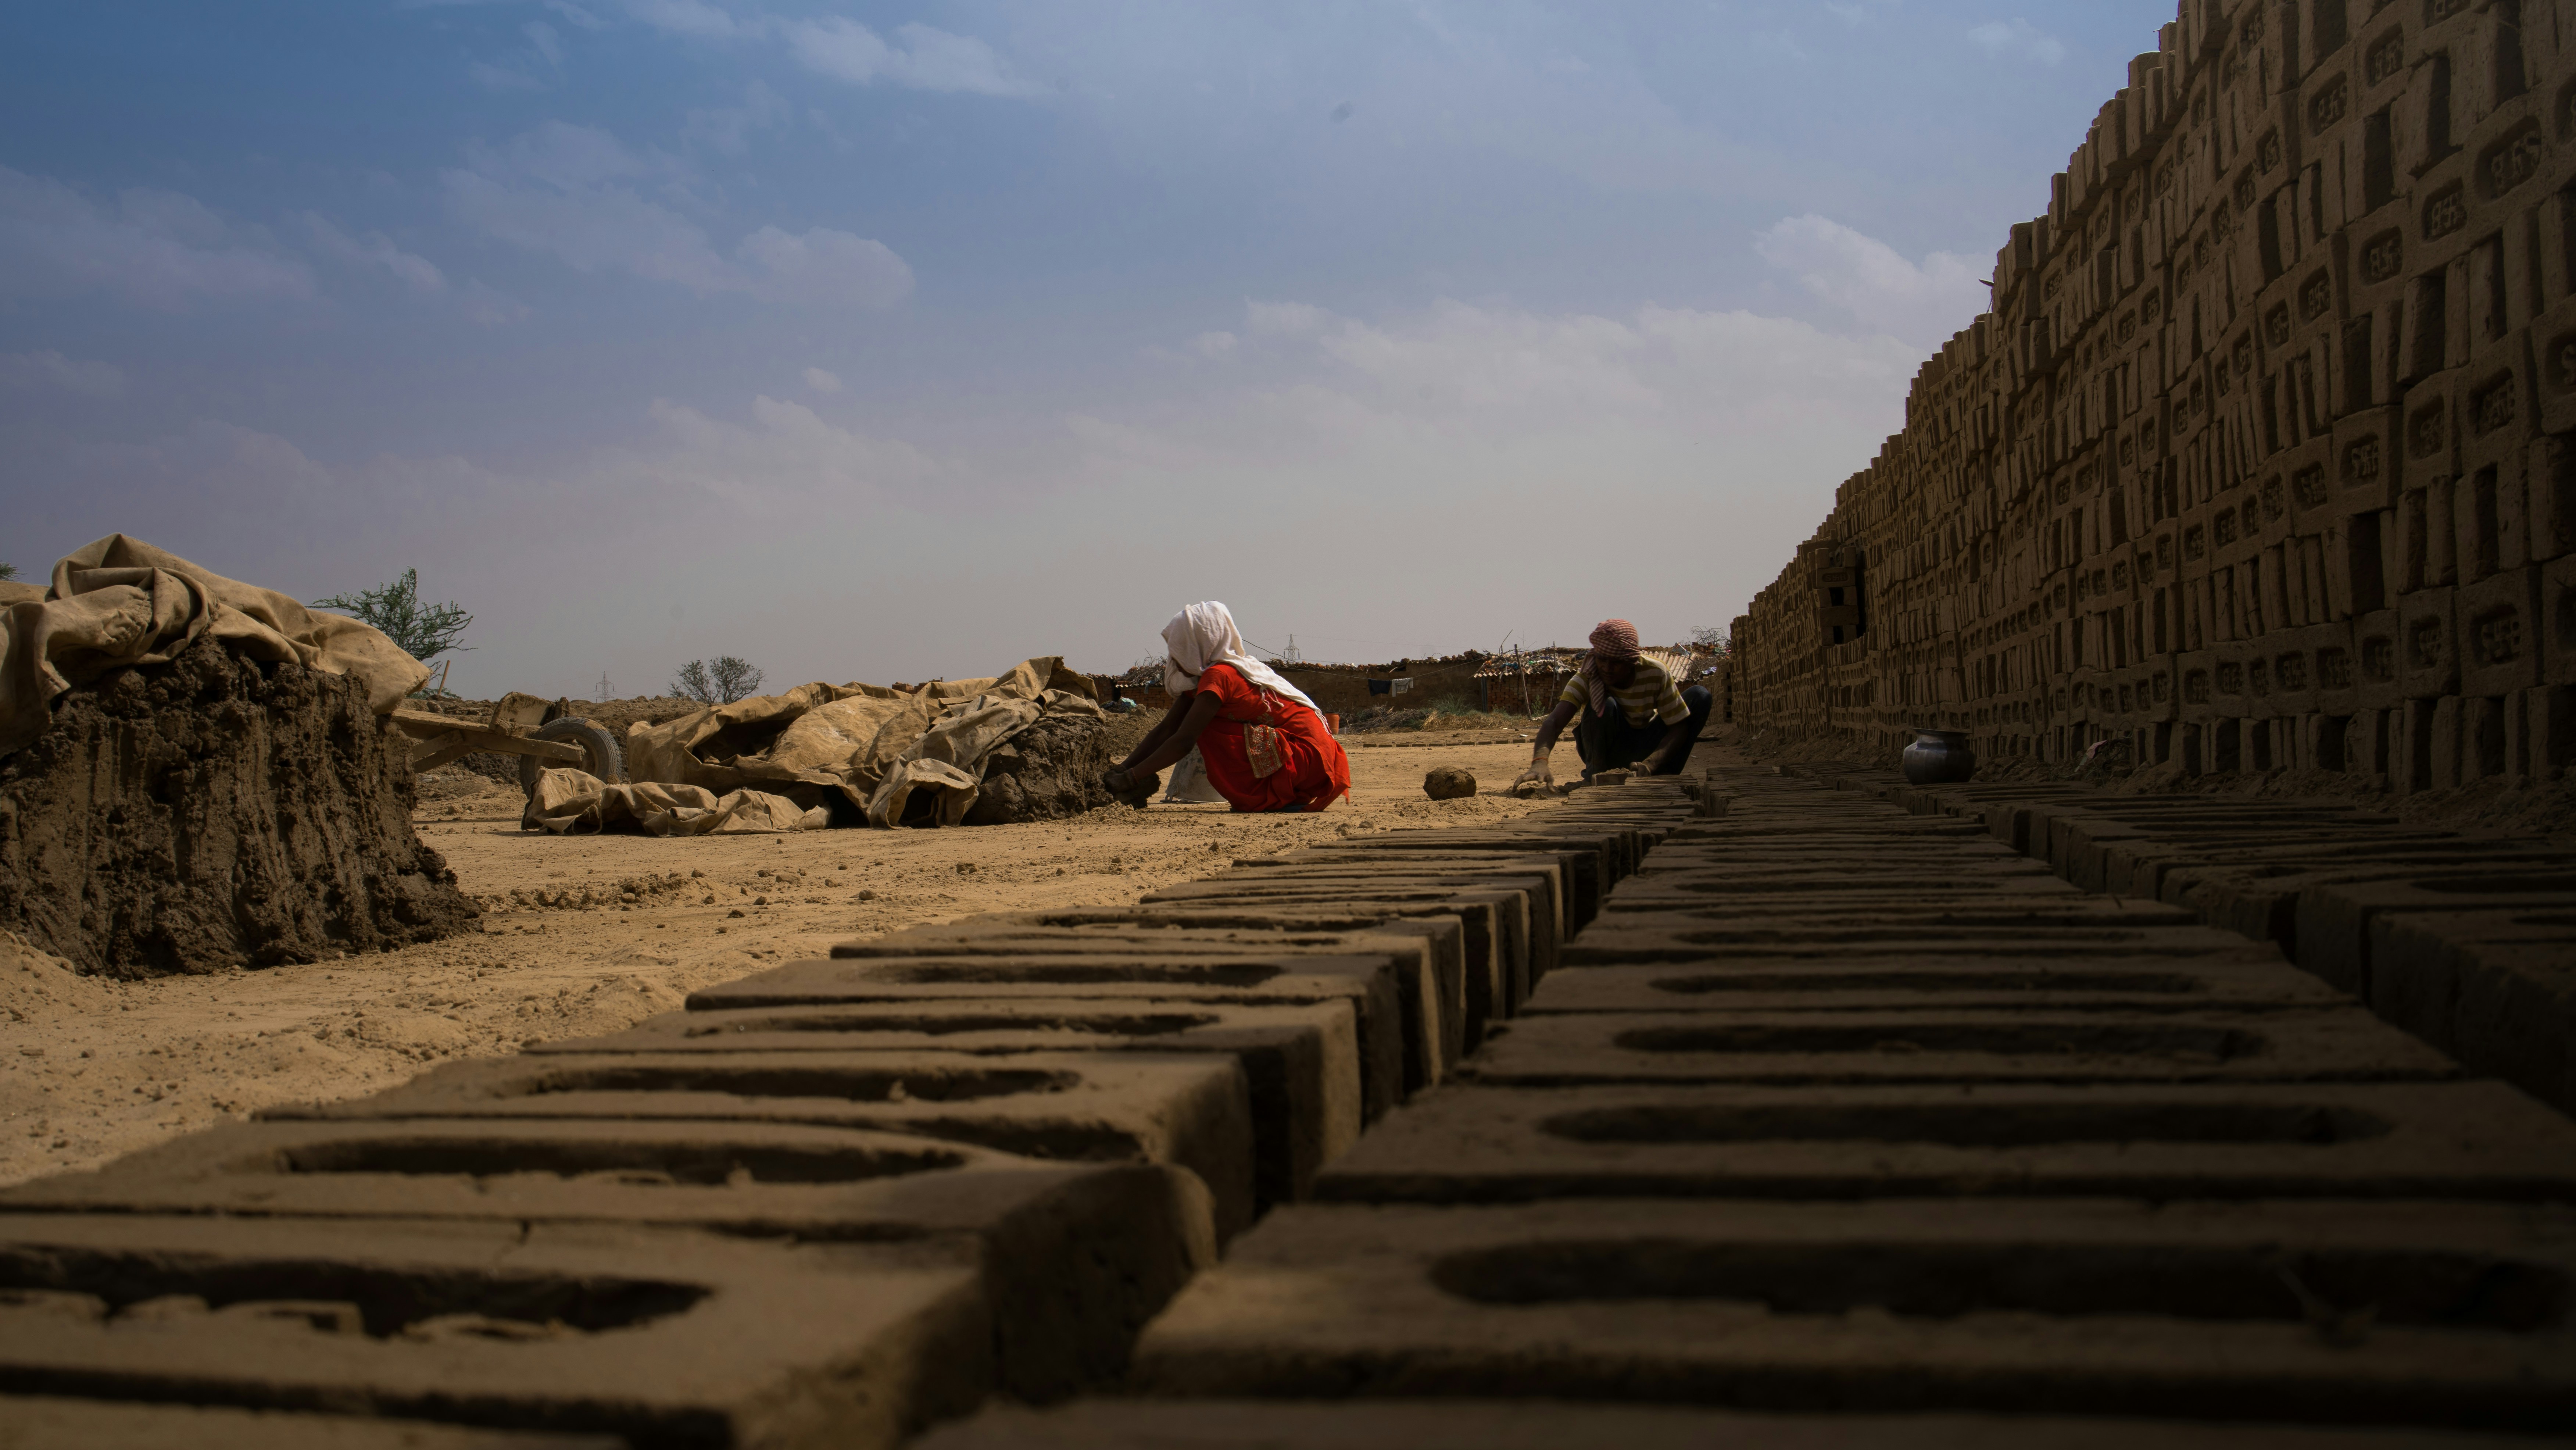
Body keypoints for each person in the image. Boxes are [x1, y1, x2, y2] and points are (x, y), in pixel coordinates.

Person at [1104, 602, 1353, 813]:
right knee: (1199, 718)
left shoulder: (1219, 676)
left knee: (1206, 725)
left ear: (1199, 645)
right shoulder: (1208, 681)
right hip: (1311, 761)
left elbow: (1183, 740)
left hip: (1309, 761)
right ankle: (1275, 794)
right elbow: (1166, 729)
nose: (1174, 657)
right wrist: (1123, 768)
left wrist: (1130, 778)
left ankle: (1274, 795)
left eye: (1180, 648)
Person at [1513, 618, 1711, 790]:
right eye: (1602, 660)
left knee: (1700, 696)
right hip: (1609, 752)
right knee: (1603, 704)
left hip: (1648, 750)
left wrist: (1651, 763)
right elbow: (1554, 722)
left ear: (1632, 661)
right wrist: (1540, 762)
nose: (1607, 669)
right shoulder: (1589, 675)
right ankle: (1596, 776)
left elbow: (1678, 728)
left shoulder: (1656, 672)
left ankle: (1661, 773)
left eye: (1616, 662)